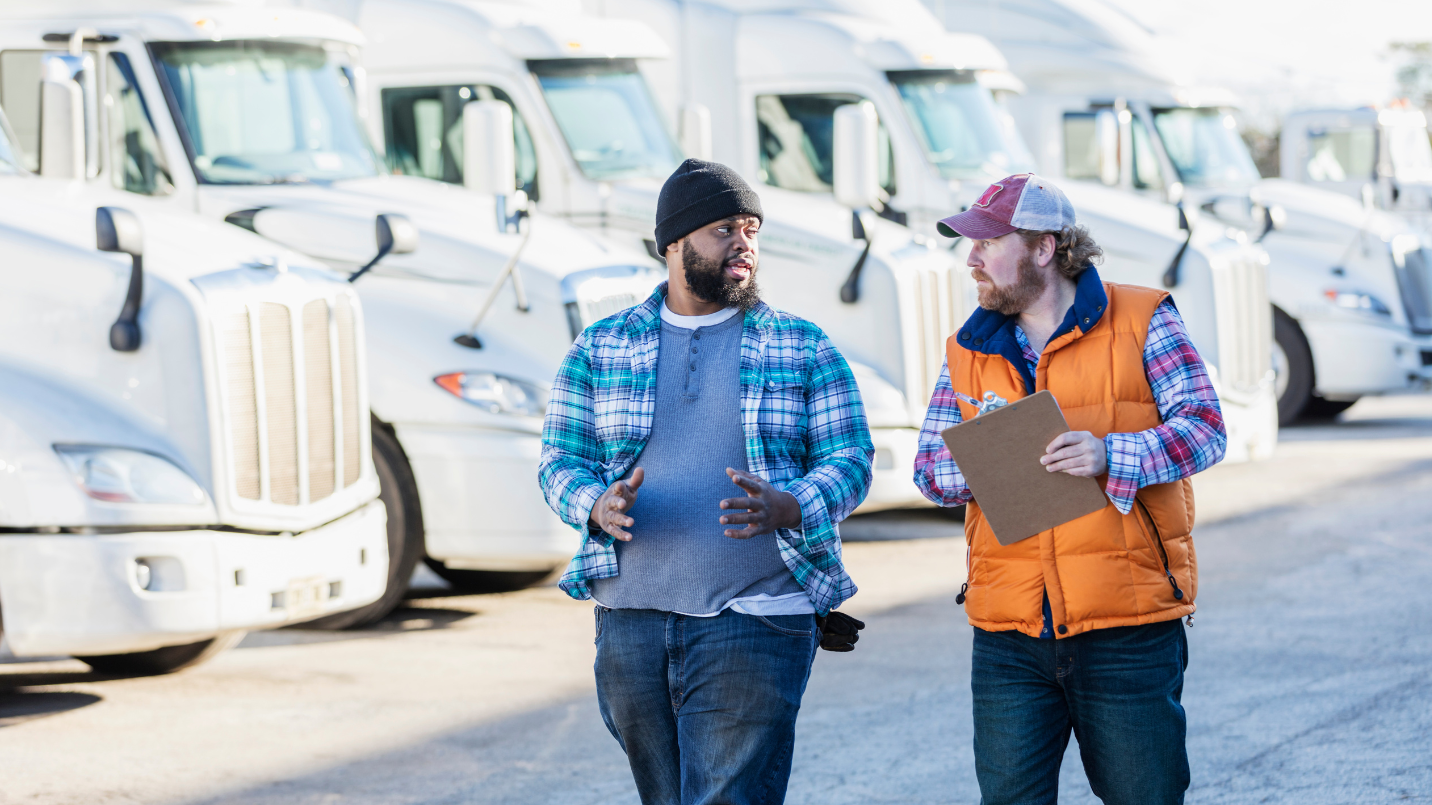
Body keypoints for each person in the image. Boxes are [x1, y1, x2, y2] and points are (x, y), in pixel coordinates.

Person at [538, 158, 874, 805]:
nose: (744, 243)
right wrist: (595, 504)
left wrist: (791, 503)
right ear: (675, 243)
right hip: (630, 622)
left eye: (752, 229)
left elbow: (852, 459)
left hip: (756, 618)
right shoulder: (599, 347)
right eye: (724, 229)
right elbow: (559, 462)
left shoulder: (802, 345)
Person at [913, 174, 1227, 804]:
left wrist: (1112, 454)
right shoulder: (967, 348)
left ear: (1044, 247)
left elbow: (1206, 430)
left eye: (988, 242)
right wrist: (996, 457)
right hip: (1008, 633)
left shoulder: (1142, 317)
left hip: (1127, 625)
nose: (970, 259)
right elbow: (927, 469)